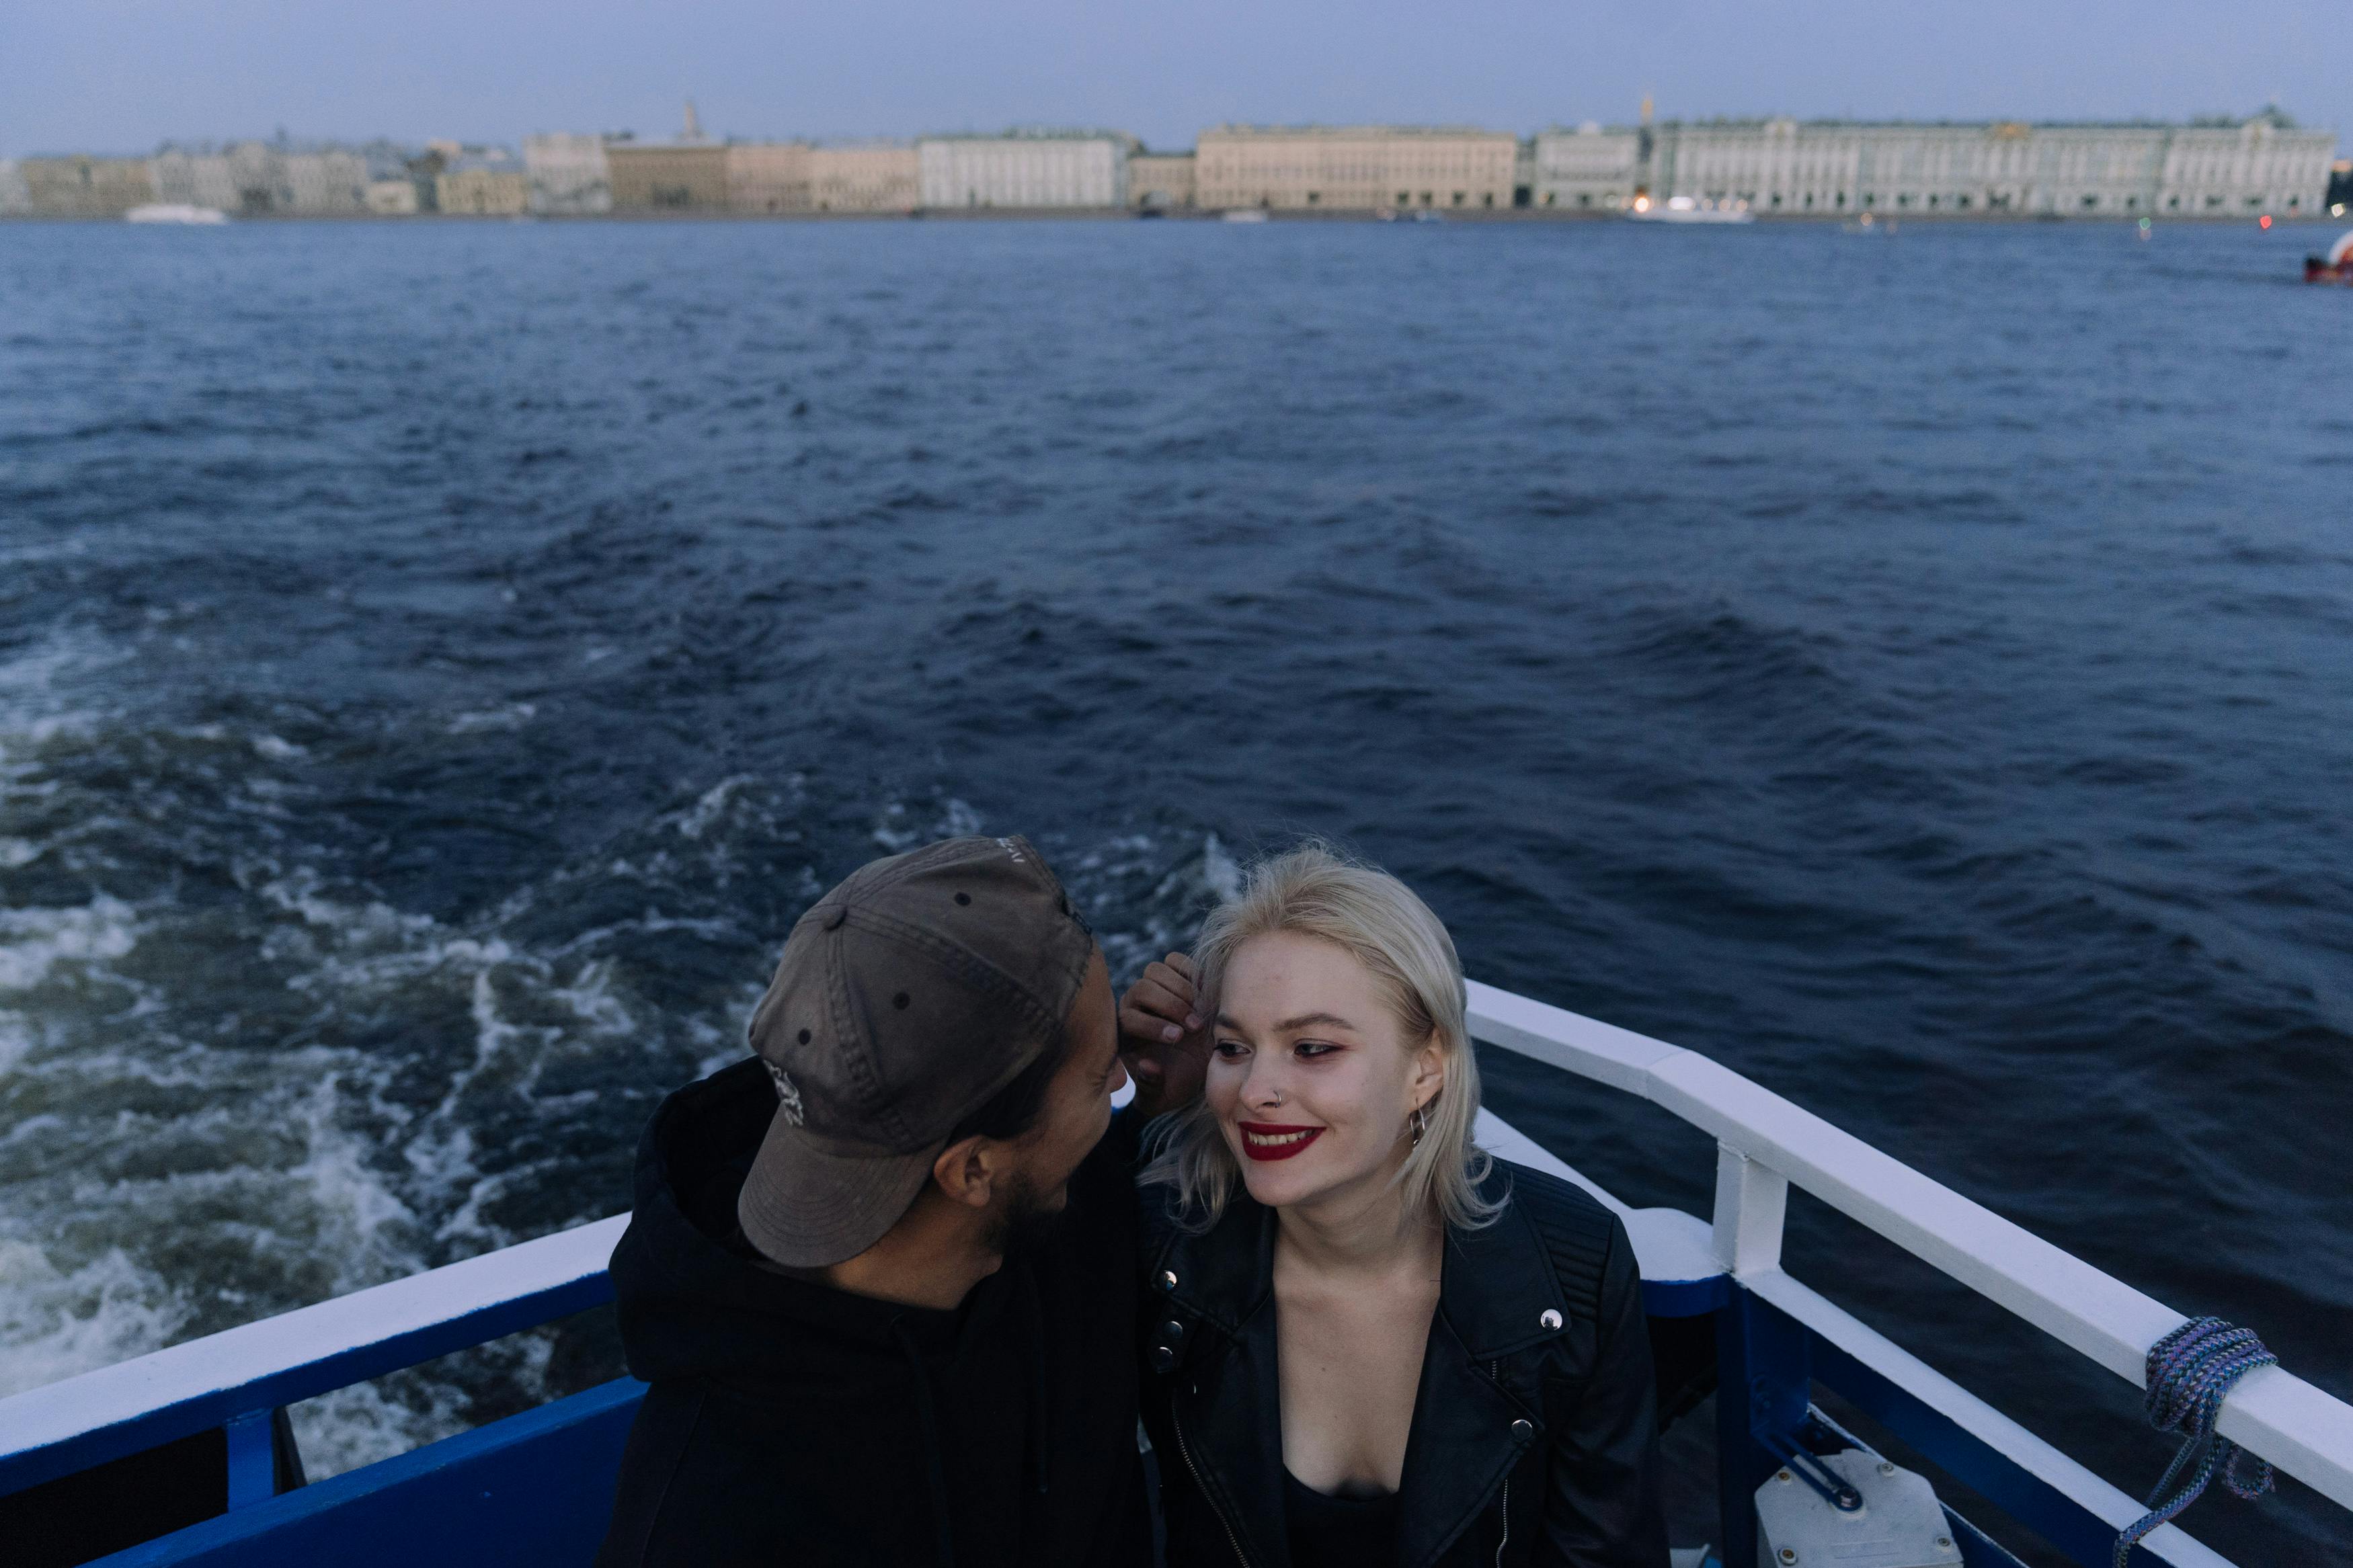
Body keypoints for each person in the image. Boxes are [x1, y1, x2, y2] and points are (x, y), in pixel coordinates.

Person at [595, 835, 1166, 1568]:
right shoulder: (709, 1525)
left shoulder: (1043, 1211)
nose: (1123, 1077)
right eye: (1099, 1078)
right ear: (971, 1169)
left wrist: (1161, 1112)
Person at [1123, 843, 1670, 1568]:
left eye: (1312, 1047)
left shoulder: (1571, 1267)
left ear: (1425, 1068)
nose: (1256, 1089)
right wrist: (1135, 1103)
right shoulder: (1163, 1243)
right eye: (1233, 1046)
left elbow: (1604, 1552)